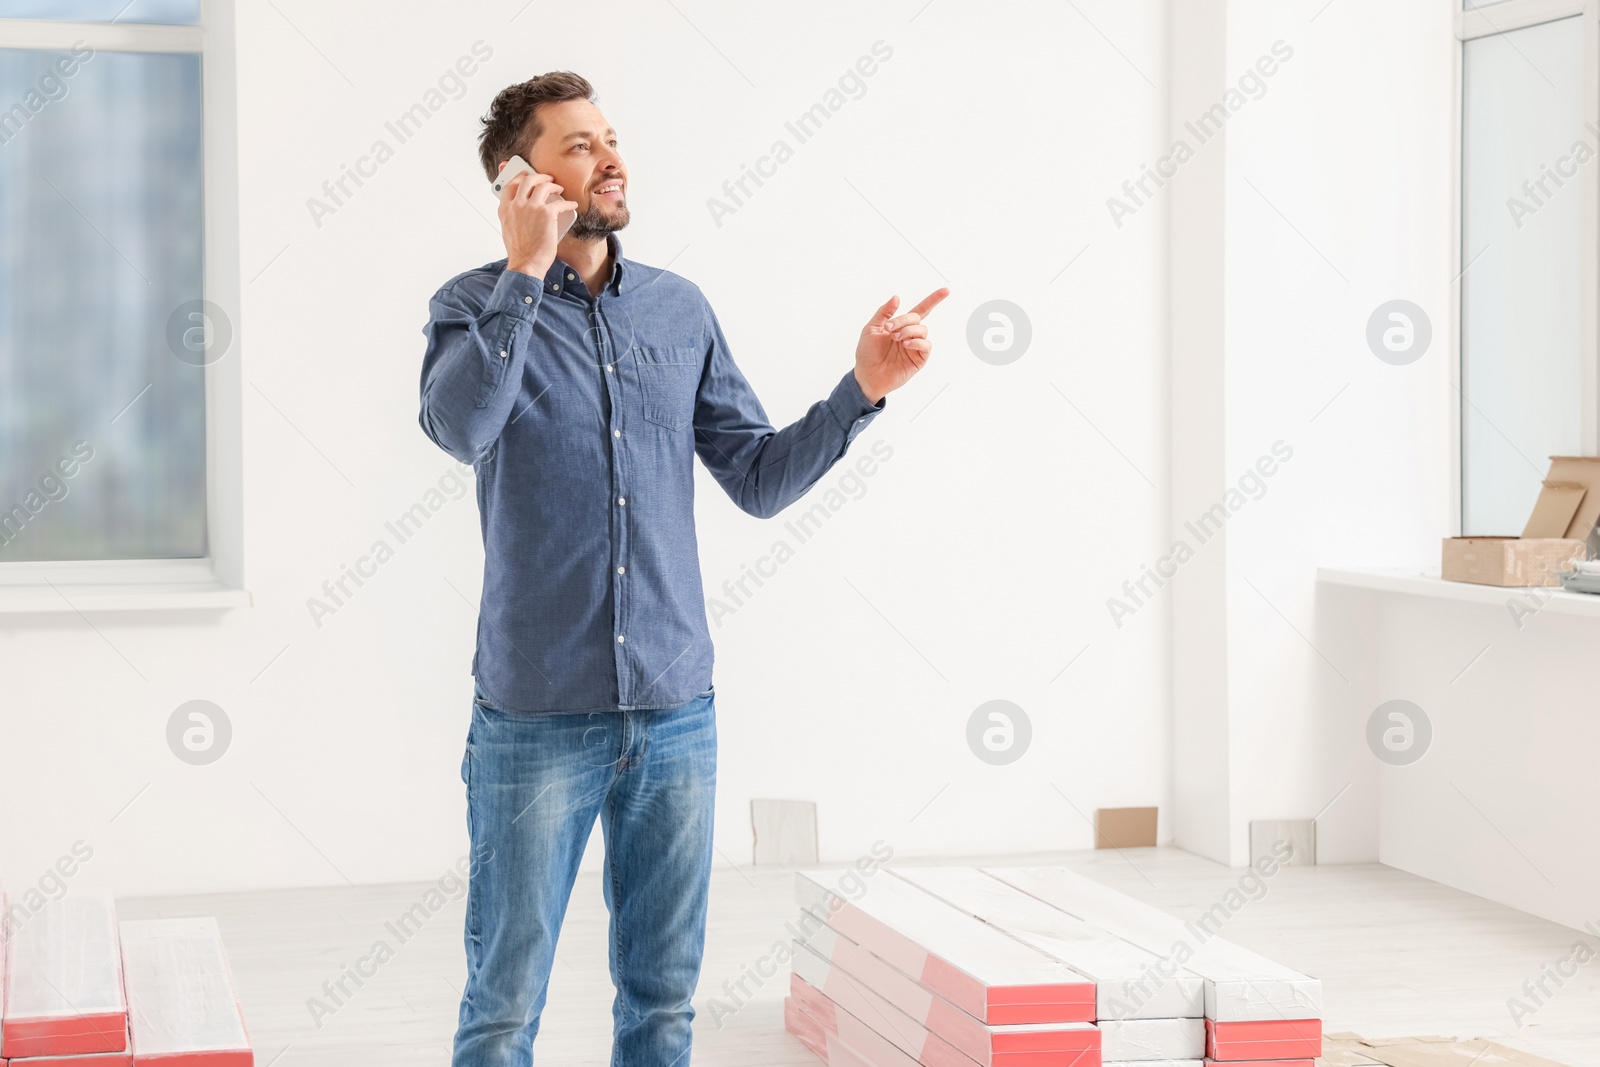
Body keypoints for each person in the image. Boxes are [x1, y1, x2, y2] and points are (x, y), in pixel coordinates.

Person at [417, 70, 949, 1067]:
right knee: (502, 1002)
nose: (610, 157)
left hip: (675, 711)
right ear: (516, 180)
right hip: (535, 717)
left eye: (610, 137)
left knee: (661, 1004)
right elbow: (460, 426)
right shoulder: (471, 306)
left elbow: (753, 475)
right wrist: (521, 277)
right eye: (577, 145)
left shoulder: (677, 308)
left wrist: (859, 391)